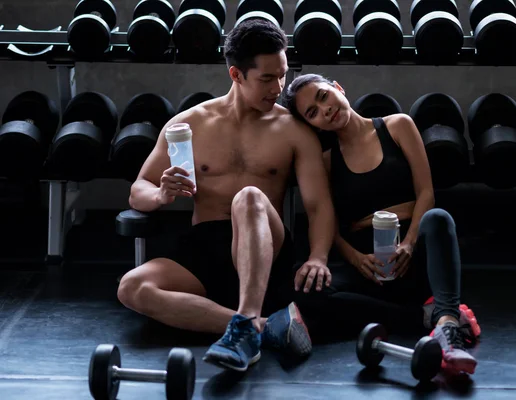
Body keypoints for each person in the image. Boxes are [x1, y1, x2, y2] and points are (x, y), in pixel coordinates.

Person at [117, 20, 335, 372]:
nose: (278, 88)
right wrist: (159, 194)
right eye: (267, 78)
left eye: (281, 75)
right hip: (204, 247)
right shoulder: (191, 124)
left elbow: (319, 205)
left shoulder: (293, 129)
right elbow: (137, 191)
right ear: (236, 74)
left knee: (248, 197)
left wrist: (319, 257)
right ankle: (255, 326)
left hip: (266, 248)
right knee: (132, 287)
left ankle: (246, 321)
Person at [281, 74, 481, 376]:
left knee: (438, 218)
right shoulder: (325, 161)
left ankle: (448, 323)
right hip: (370, 267)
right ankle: (429, 318)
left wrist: (409, 243)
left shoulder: (397, 125)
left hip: (413, 255)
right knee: (305, 291)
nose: (325, 110)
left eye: (323, 97)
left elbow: (426, 193)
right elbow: (329, 226)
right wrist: (357, 260)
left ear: (337, 88)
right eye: (312, 112)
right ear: (313, 125)